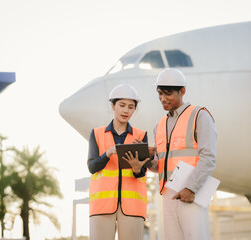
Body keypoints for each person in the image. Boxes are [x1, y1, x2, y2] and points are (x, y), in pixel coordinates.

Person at [152, 68, 217, 240]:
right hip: (168, 195)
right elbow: (160, 164)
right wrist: (143, 161)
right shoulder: (159, 125)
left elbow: (208, 157)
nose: (163, 99)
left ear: (182, 91)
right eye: (160, 93)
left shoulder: (200, 115)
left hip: (192, 193)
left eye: (168, 93)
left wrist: (191, 188)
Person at [87, 83, 150, 240]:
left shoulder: (141, 136)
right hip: (102, 205)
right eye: (122, 105)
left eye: (131, 107)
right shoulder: (96, 134)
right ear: (112, 105)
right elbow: (92, 166)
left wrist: (137, 168)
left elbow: (142, 172)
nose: (126, 110)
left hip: (132, 207)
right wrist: (107, 154)